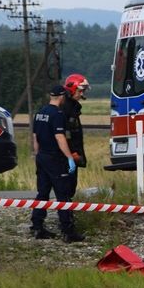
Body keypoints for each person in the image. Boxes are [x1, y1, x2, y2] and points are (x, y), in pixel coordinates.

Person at [29, 84, 84, 242]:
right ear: (62, 97)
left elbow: (35, 138)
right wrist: (68, 157)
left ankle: (37, 226)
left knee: (43, 193)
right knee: (63, 194)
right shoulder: (57, 114)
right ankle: (68, 231)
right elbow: (60, 138)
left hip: (42, 157)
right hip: (55, 158)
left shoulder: (40, 112)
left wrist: (37, 154)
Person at [61, 73, 89, 202]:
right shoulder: (66, 108)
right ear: (72, 89)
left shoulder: (73, 107)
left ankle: (67, 216)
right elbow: (65, 134)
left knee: (71, 187)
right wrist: (71, 153)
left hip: (72, 154)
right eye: (81, 90)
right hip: (67, 155)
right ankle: (65, 219)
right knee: (66, 188)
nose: (82, 94)